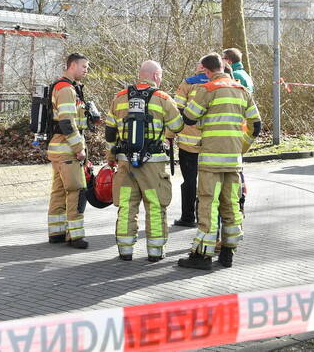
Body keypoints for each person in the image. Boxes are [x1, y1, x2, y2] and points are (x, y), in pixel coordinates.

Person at [178, 53, 261, 270]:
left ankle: (202, 256)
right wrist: (241, 146)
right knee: (230, 205)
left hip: (211, 161)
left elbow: (189, 117)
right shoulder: (242, 91)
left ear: (206, 70)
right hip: (234, 161)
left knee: (208, 204)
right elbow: (257, 125)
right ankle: (227, 254)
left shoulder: (208, 90)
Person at [105, 60, 184, 262]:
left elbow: (110, 133)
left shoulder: (119, 98)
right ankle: (155, 251)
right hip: (153, 165)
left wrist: (111, 157)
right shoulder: (162, 98)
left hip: (125, 163)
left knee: (126, 206)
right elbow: (177, 126)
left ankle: (125, 250)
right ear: (156, 76)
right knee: (155, 206)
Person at [46, 53, 91, 248]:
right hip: (67, 151)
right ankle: (75, 236)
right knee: (76, 191)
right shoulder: (66, 89)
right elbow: (66, 122)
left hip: (58, 151)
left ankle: (56, 233)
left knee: (58, 191)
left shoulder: (66, 87)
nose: (86, 70)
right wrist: (79, 148)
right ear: (72, 65)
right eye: (84, 66)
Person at [171, 63, 208, 228]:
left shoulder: (187, 83)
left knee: (189, 181)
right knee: (208, 181)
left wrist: (169, 135)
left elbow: (176, 111)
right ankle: (204, 217)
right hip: (211, 143)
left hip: (188, 143)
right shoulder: (218, 85)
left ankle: (188, 217)